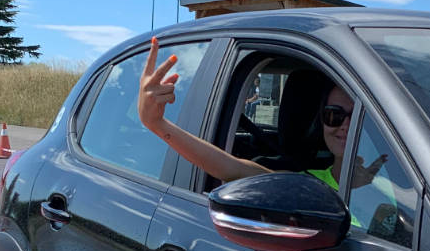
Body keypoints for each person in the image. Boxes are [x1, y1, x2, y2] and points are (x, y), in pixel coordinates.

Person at [136, 38, 386, 190]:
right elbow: (230, 168)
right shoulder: (307, 185)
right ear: (319, 121)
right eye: (334, 115)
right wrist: (157, 124)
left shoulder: (398, 186)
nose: (344, 125)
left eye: (357, 117)